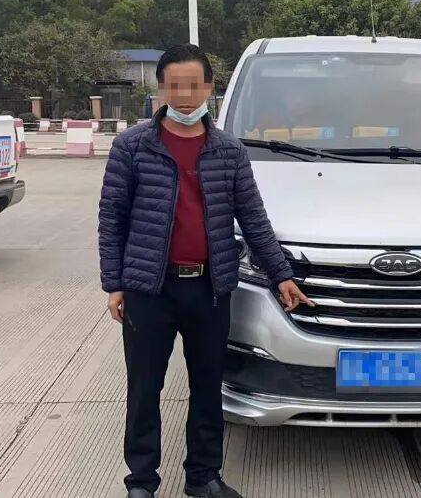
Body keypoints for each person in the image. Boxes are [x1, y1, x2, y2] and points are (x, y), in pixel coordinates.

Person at [98, 44, 313, 498]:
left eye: (193, 85)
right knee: (144, 389)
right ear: (161, 89)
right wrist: (114, 283)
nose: (184, 95)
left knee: (207, 388)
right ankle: (141, 482)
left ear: (210, 88)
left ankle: (203, 477)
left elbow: (253, 219)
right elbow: (112, 218)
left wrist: (281, 275)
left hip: (210, 290)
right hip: (149, 290)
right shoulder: (132, 147)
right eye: (174, 85)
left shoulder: (228, 150)